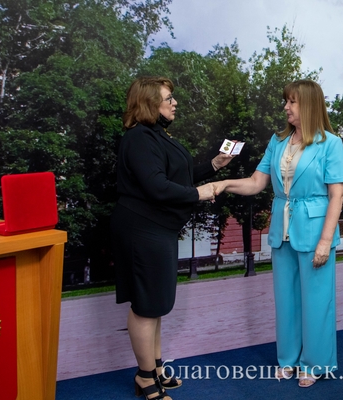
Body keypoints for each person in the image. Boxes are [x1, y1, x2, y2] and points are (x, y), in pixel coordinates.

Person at [213, 79, 343, 388]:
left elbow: (336, 196)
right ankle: (288, 360)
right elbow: (256, 183)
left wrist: (325, 241)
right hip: (281, 230)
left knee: (316, 301)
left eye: (292, 102)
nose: (286, 107)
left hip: (315, 232)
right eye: (286, 101)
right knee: (285, 300)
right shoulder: (277, 141)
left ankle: (314, 364)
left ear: (309, 105)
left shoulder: (331, 144)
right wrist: (223, 185)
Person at [111, 76, 233, 400]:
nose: (174, 102)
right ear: (150, 104)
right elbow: (156, 186)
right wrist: (198, 193)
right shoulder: (138, 138)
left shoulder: (157, 137)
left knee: (156, 305)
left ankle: (156, 367)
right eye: (168, 98)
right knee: (146, 305)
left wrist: (214, 165)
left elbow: (178, 174)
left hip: (157, 230)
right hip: (142, 229)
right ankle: (145, 377)